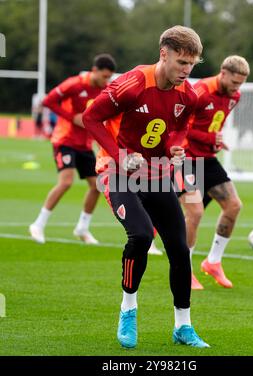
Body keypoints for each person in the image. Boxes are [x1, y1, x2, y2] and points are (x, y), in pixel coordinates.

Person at [83, 25, 209, 349]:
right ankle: (128, 310)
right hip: (116, 170)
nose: (186, 71)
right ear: (163, 54)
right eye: (181, 62)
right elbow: (91, 118)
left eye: (192, 65)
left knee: (180, 249)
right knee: (140, 235)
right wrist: (120, 156)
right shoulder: (134, 84)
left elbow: (180, 129)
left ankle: (183, 326)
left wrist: (176, 147)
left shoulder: (188, 94)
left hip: (155, 173)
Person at [177, 55, 250, 289]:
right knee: (195, 213)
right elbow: (180, 127)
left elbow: (213, 124)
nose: (237, 88)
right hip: (185, 159)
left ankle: (213, 262)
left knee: (234, 205)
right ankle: (183, 271)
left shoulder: (233, 97)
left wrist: (216, 141)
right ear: (223, 73)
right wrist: (211, 137)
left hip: (207, 159)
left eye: (241, 83)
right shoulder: (199, 91)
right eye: (235, 82)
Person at [29, 54, 116, 244]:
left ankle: (82, 228)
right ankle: (38, 224)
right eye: (104, 76)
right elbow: (48, 101)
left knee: (97, 185)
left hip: (85, 144)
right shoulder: (74, 84)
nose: (106, 80)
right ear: (94, 71)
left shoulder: (105, 89)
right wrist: (72, 117)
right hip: (65, 140)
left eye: (109, 77)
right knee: (66, 181)